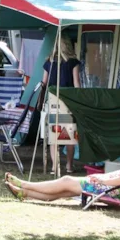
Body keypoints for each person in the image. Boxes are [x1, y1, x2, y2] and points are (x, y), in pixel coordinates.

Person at [4, 124, 120, 203]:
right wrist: (101, 177)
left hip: (114, 190)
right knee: (64, 190)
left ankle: (24, 184)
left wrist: (103, 180)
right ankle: (24, 194)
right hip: (113, 187)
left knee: (66, 181)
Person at [41, 36, 81, 173]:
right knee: (69, 135)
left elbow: (44, 83)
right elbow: (76, 84)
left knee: (54, 135)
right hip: (68, 102)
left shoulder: (48, 62)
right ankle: (69, 166)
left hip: (53, 101)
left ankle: (54, 166)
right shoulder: (73, 62)